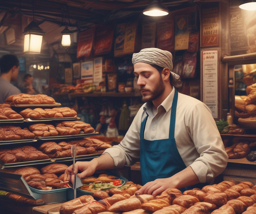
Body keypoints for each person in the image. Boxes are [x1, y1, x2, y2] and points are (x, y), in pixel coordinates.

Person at [65, 48, 228, 196]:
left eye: (146, 75)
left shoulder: (193, 109)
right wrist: (95, 163)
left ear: (165, 74)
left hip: (189, 203)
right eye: (137, 76)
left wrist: (173, 181)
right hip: (150, 202)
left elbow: (215, 157)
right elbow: (126, 151)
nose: (139, 82)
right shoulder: (143, 113)